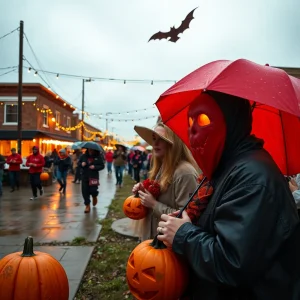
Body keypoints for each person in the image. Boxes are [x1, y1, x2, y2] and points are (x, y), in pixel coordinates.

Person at [157, 91, 300, 299]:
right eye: (190, 121)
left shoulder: (253, 178)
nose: (193, 129)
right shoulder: (226, 167)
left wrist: (184, 235)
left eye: (204, 119)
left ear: (231, 122)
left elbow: (233, 263)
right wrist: (192, 221)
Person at [132, 123, 199, 241]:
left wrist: (153, 204)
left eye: (161, 139)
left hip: (168, 247)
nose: (155, 144)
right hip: (154, 241)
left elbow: (186, 220)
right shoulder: (161, 167)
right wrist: (143, 192)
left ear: (174, 143)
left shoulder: (185, 173)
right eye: (154, 139)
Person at [80, 148, 105, 213]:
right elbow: (78, 163)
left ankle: (94, 196)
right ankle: (87, 205)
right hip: (85, 176)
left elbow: (102, 166)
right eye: (89, 150)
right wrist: (81, 164)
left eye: (92, 150)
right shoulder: (83, 156)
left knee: (93, 190)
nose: (90, 151)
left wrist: (95, 167)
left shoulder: (98, 156)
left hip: (94, 176)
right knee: (85, 191)